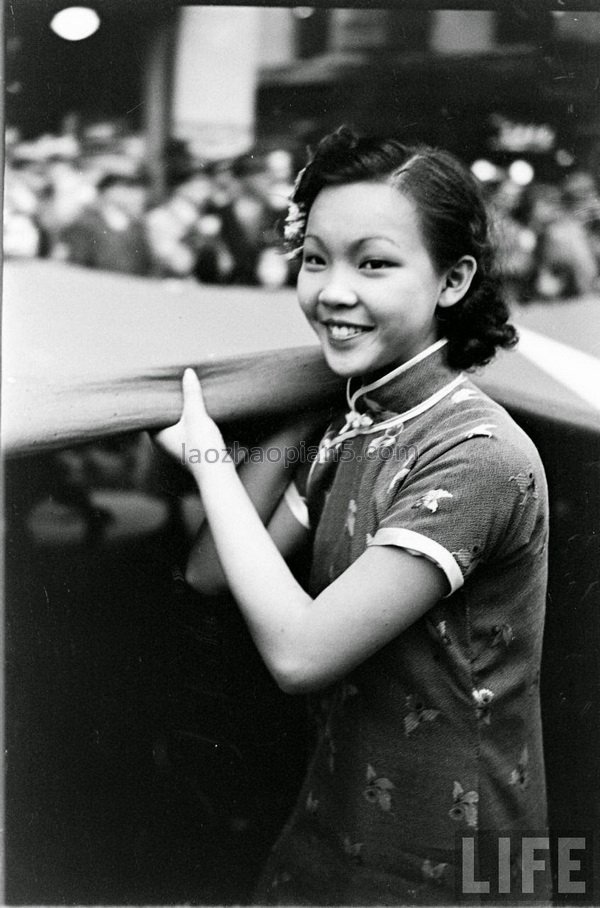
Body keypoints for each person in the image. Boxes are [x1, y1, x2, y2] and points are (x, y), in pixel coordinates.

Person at [155, 127, 550, 905]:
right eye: (315, 260)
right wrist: (286, 428)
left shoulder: (476, 453)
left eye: (373, 262)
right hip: (333, 825)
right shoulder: (355, 423)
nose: (333, 291)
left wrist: (206, 455)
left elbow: (300, 656)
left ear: (452, 279)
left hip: (455, 861)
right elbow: (211, 572)